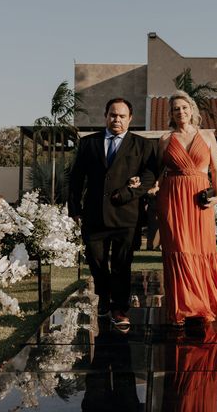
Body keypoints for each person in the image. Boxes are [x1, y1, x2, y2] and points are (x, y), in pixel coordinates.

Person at [68, 98, 156, 330]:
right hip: (94, 215)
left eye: (122, 116)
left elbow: (150, 176)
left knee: (121, 265)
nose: (117, 119)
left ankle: (119, 308)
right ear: (106, 115)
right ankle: (104, 298)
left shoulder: (142, 145)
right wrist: (74, 208)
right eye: (113, 115)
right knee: (96, 262)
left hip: (126, 216)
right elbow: (76, 178)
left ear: (130, 119)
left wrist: (127, 193)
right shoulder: (89, 143)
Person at [156, 91, 217, 326]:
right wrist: (150, 190)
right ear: (170, 114)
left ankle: (204, 300)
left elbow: (216, 171)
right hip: (172, 198)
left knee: (201, 247)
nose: (180, 112)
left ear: (192, 110)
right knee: (178, 247)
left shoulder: (207, 137)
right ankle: (184, 305)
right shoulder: (165, 140)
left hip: (200, 198)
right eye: (175, 109)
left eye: (184, 107)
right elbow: (159, 171)